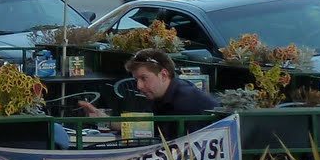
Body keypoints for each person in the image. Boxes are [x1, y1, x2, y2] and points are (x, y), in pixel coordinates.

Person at [77, 50, 219, 119]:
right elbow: (144, 123)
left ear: (163, 74)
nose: (139, 86)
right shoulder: (162, 96)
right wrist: (103, 118)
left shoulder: (185, 101)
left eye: (144, 78)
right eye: (136, 80)